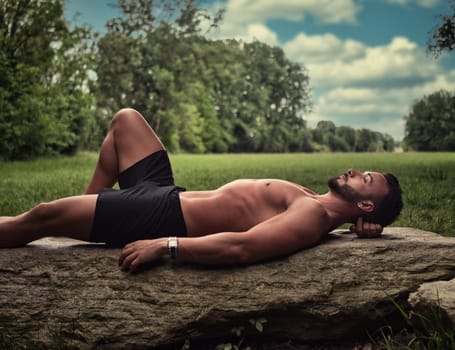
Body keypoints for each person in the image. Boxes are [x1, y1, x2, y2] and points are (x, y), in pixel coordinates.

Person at [0, 108, 403, 272]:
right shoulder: (315, 200)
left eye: (363, 179)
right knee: (126, 121)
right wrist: (366, 228)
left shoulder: (313, 217)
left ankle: (75, 216)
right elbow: (363, 220)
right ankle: (90, 208)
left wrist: (166, 245)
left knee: (39, 216)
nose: (353, 171)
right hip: (166, 193)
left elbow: (241, 248)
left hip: (160, 216)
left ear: (365, 202)